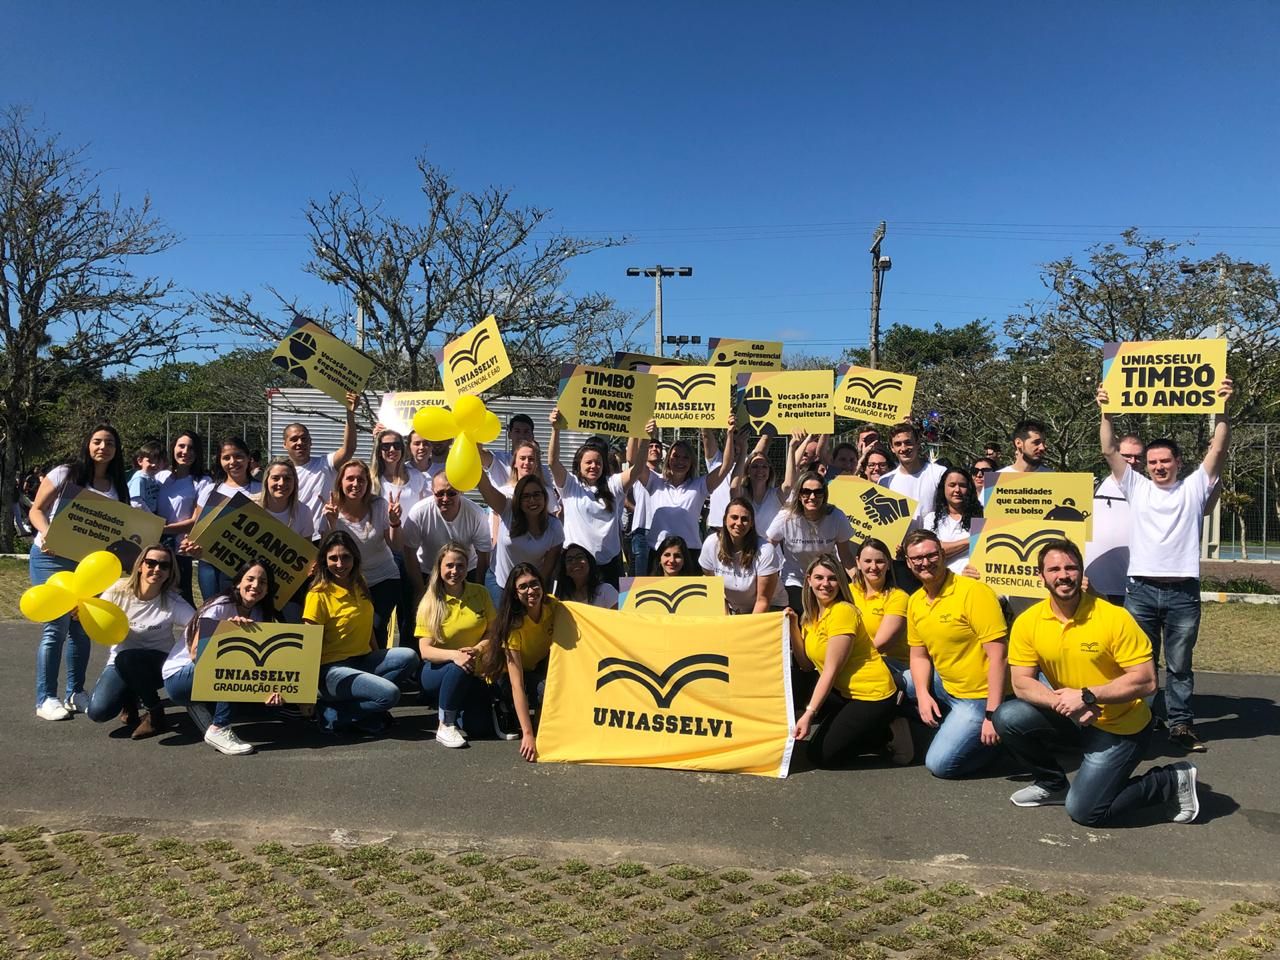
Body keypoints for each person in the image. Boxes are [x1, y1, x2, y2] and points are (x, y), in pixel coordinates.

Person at [993, 539, 1200, 825]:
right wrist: (1067, 704)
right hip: (1075, 718)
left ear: (1081, 573)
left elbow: (1147, 681)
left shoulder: (1114, 617)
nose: (1063, 575)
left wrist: (1087, 696)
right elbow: (1021, 684)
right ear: (1041, 576)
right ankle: (1052, 784)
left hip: (1121, 726)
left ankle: (1171, 780)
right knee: (1007, 716)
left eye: (1070, 568)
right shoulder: (1028, 622)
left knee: (1085, 811)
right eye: (1054, 569)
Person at [1098, 378, 1233, 753]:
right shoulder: (1135, 486)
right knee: (1138, 664)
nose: (1158, 467)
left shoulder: (1194, 488)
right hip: (1140, 590)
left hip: (1182, 593)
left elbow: (1219, 448)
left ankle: (1180, 725)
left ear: (1178, 463)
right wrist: (1106, 412)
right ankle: (1139, 724)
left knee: (1179, 666)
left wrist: (1222, 408)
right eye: (1153, 462)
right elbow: (1108, 448)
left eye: (1165, 461)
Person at [27, 423, 129, 720]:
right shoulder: (65, 473)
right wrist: (48, 533)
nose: (103, 447)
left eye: (109, 443)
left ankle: (75, 692)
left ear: (116, 449)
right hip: (51, 558)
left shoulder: (117, 485)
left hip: (88, 568)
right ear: (88, 444)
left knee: (81, 629)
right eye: (97, 441)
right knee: (55, 628)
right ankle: (46, 698)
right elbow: (36, 509)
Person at [904, 529, 1008, 779]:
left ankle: (1005, 739)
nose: (925, 562)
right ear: (908, 563)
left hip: (979, 696)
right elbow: (918, 656)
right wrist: (922, 696)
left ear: (942, 554)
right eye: (917, 558)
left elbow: (999, 655)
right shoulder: (915, 600)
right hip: (947, 683)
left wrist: (992, 714)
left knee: (940, 765)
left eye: (931, 555)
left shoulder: (973, 592)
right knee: (901, 681)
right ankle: (954, 727)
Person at [789, 556, 901, 768]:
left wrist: (809, 713)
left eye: (832, 578)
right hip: (844, 692)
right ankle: (861, 726)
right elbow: (805, 665)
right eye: (819, 578)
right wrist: (793, 626)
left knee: (821, 756)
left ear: (840, 582)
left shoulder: (843, 611)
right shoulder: (810, 617)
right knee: (798, 685)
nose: (825, 584)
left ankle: (888, 732)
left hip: (871, 694)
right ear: (809, 580)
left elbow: (830, 671)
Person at [303, 530, 418, 734]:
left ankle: (356, 711)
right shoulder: (317, 594)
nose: (340, 564)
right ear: (324, 561)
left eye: (346, 557)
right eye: (333, 558)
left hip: (362, 660)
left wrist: (377, 656)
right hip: (331, 670)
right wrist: (306, 694)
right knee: (389, 695)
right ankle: (331, 714)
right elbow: (309, 647)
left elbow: (368, 628)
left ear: (355, 558)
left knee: (409, 656)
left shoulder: (360, 584)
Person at [163, 558, 280, 756]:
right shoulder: (220, 606)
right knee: (235, 660)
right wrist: (230, 631)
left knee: (264, 707)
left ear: (268, 589)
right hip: (180, 677)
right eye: (250, 579)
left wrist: (269, 688)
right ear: (238, 582)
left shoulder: (260, 613)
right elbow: (195, 653)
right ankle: (219, 727)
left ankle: (198, 704)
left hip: (208, 681)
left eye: (262, 582)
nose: (255, 585)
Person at [86, 544, 195, 739]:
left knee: (128, 658)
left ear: (170, 572)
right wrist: (81, 614)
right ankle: (130, 697)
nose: (157, 569)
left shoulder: (172, 600)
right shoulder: (117, 591)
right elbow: (99, 618)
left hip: (158, 663)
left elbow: (199, 624)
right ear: (140, 566)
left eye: (164, 565)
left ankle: (155, 713)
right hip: (120, 661)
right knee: (98, 712)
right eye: (151, 563)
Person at [416, 542, 499, 747]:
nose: (455, 571)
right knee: (459, 666)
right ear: (440, 568)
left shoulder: (480, 593)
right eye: (449, 565)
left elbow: (492, 632)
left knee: (480, 728)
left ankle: (454, 704)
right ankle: (445, 724)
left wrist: (478, 649)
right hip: (436, 671)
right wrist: (456, 655)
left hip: (474, 670)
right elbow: (425, 651)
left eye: (460, 566)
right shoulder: (430, 601)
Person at [547, 411, 637, 587]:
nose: (593, 466)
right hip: (576, 564)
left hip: (610, 565)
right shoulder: (570, 485)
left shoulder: (613, 484)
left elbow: (637, 469)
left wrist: (645, 437)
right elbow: (553, 462)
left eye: (598, 462)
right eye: (588, 462)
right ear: (578, 465)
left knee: (612, 604)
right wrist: (555, 430)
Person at [321, 459, 403, 648]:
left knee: (376, 625)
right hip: (349, 580)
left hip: (383, 577)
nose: (356, 484)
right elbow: (326, 551)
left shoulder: (379, 505)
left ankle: (379, 663)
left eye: (361, 479)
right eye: (350, 479)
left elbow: (397, 546)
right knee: (354, 626)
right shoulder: (331, 508)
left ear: (367, 483)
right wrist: (331, 523)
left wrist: (394, 522)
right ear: (340, 482)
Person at [628, 417, 735, 552]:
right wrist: (642, 433)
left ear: (691, 462)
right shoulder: (655, 481)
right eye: (676, 456)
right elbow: (633, 460)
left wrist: (730, 434)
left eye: (685, 458)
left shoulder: (700, 486)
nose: (680, 461)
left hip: (690, 552)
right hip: (658, 553)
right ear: (668, 459)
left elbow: (725, 467)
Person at [490, 563, 563, 758]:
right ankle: (501, 704)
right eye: (523, 587)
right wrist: (528, 734)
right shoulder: (513, 626)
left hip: (534, 667)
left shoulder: (553, 606)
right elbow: (517, 685)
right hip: (504, 678)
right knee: (546, 690)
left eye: (534, 584)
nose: (531, 590)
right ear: (515, 594)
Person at [181, 436, 262, 602]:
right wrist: (191, 543)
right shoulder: (210, 490)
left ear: (248, 458)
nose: (233, 462)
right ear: (220, 460)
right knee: (213, 608)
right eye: (226, 457)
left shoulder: (261, 490)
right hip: (210, 564)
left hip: (247, 566)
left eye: (238, 456)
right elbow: (199, 528)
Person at [371, 429, 429, 647]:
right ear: (378, 450)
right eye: (385, 446)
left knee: (410, 612)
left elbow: (424, 512)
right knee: (381, 615)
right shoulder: (373, 480)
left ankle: (409, 658)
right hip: (382, 553)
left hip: (411, 552)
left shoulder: (417, 477)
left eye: (396, 445)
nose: (392, 450)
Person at [766, 470, 855, 612]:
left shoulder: (836, 516)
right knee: (803, 613)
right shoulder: (786, 517)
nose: (812, 497)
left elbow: (846, 556)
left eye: (818, 492)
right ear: (799, 494)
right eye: (806, 492)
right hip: (795, 580)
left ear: (824, 495)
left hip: (827, 579)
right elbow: (767, 547)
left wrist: (858, 581)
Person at [402, 472, 492, 603]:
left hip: (465, 572)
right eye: (440, 493)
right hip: (429, 571)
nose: (445, 498)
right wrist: (420, 589)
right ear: (432, 491)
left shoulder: (476, 514)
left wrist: (478, 589)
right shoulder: (419, 512)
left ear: (460, 492)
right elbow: (409, 551)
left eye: (451, 493)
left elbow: (483, 554)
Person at [476, 470, 563, 605]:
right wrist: (475, 463)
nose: (532, 500)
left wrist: (535, 594)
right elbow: (487, 489)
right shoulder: (507, 509)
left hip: (529, 588)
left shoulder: (555, 526)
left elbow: (547, 571)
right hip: (499, 584)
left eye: (536, 494)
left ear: (544, 497)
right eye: (525, 496)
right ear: (518, 499)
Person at [280, 392, 357, 525]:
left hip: (322, 535)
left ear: (311, 442)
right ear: (284, 444)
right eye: (294, 439)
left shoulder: (325, 464)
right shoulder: (280, 475)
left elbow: (348, 449)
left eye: (304, 438)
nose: (300, 443)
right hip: (290, 534)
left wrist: (350, 414)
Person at [698, 498, 784, 613]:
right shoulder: (711, 544)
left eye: (744, 519)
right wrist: (726, 618)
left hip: (770, 607)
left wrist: (747, 625)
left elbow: (763, 601)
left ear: (751, 523)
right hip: (734, 608)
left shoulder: (766, 550)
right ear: (725, 520)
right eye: (734, 517)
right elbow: (715, 592)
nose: (739, 523)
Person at [1085, 434, 1142, 605]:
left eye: (1138, 457)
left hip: (1136, 590)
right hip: (1095, 588)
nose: (1133, 461)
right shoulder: (1091, 488)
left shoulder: (1152, 491)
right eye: (1127, 456)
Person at [158, 431, 212, 606]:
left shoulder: (203, 481)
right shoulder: (161, 477)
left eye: (191, 448)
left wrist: (163, 530)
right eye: (181, 446)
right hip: (156, 548)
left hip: (181, 551)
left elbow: (197, 520)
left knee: (182, 601)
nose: (185, 452)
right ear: (173, 448)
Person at [849, 538, 911, 689]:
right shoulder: (848, 592)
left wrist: (842, 660)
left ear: (889, 564)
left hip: (891, 665)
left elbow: (882, 644)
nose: (873, 567)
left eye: (879, 561)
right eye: (867, 561)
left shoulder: (898, 597)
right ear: (858, 562)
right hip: (854, 660)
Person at [880, 422, 947, 520]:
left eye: (908, 443)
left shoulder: (939, 473)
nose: (903, 448)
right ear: (892, 448)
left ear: (918, 444)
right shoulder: (885, 482)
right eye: (898, 444)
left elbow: (957, 509)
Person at [922, 467, 983, 574]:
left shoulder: (982, 517)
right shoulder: (931, 519)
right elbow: (932, 552)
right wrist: (973, 540)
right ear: (943, 488)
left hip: (974, 578)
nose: (957, 490)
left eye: (962, 485)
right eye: (952, 485)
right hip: (944, 580)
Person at [624, 435, 664, 577]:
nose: (654, 449)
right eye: (650, 446)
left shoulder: (665, 477)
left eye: (657, 447)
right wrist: (636, 431)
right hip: (641, 530)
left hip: (660, 532)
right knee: (639, 581)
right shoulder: (639, 472)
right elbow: (631, 457)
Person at [729, 440, 785, 537]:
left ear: (769, 471)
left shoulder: (776, 494)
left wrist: (792, 447)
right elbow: (734, 487)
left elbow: (789, 484)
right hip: (746, 545)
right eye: (755, 466)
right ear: (748, 471)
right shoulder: (742, 494)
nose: (760, 470)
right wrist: (743, 450)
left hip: (771, 546)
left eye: (764, 467)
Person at [553, 544, 619, 608]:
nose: (574, 562)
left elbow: (621, 614)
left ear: (589, 563)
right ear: (565, 571)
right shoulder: (562, 599)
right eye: (569, 560)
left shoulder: (606, 590)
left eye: (579, 557)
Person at [128, 439, 165, 514]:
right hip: (141, 517)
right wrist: (152, 517)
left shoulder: (153, 479)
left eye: (158, 461)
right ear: (140, 461)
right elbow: (136, 503)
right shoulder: (139, 479)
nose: (154, 465)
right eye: (150, 461)